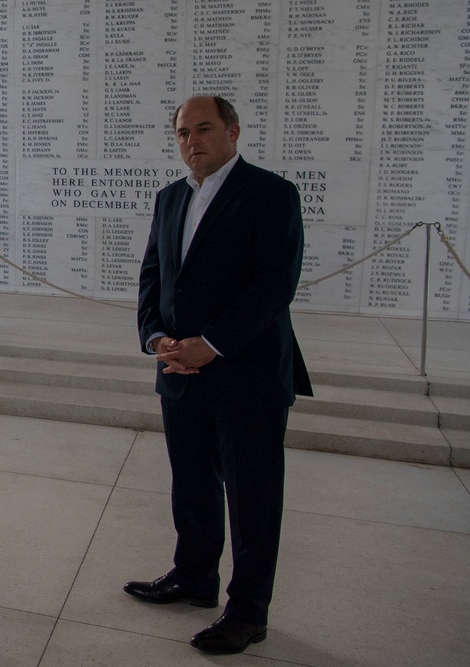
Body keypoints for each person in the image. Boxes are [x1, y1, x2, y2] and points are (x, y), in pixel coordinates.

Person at [127, 95, 312, 655]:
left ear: (233, 131)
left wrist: (210, 346)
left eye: (203, 129)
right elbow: (152, 278)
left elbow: (274, 285)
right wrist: (158, 339)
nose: (192, 142)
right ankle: (194, 576)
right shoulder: (170, 197)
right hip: (179, 371)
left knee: (253, 497)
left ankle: (248, 610)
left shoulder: (271, 194)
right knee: (192, 483)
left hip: (247, 375)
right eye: (183, 133)